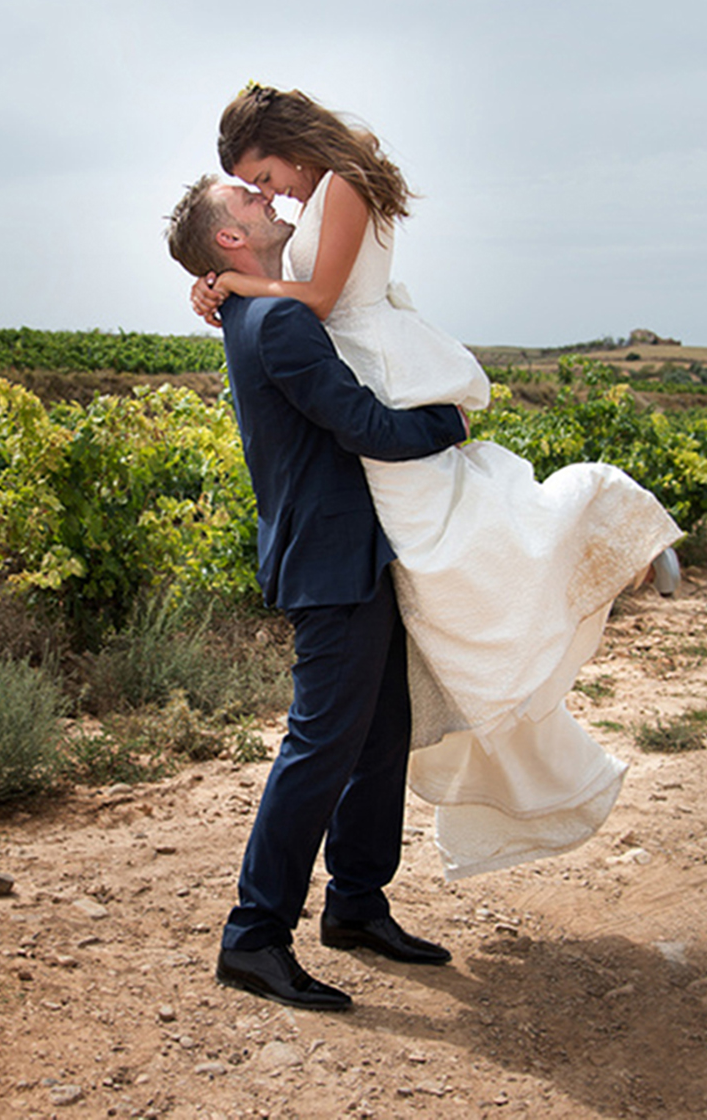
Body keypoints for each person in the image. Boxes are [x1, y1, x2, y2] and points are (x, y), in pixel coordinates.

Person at [192, 83, 685, 881]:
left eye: (267, 177)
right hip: (353, 425)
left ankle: (606, 512)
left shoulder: (340, 188)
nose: (272, 195)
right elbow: (297, 307)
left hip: (376, 376)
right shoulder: (285, 268)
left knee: (455, 532)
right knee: (448, 547)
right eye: (257, 191)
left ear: (288, 142)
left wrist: (239, 283)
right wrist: (229, 284)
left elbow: (317, 299)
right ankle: (320, 911)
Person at [166, 173, 470, 1012]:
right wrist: (451, 423)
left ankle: (356, 906)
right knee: (322, 746)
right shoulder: (279, 320)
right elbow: (366, 425)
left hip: (352, 552)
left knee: (380, 733)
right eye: (250, 204)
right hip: (331, 559)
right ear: (230, 243)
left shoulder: (250, 307)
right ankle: (254, 937)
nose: (270, 203)